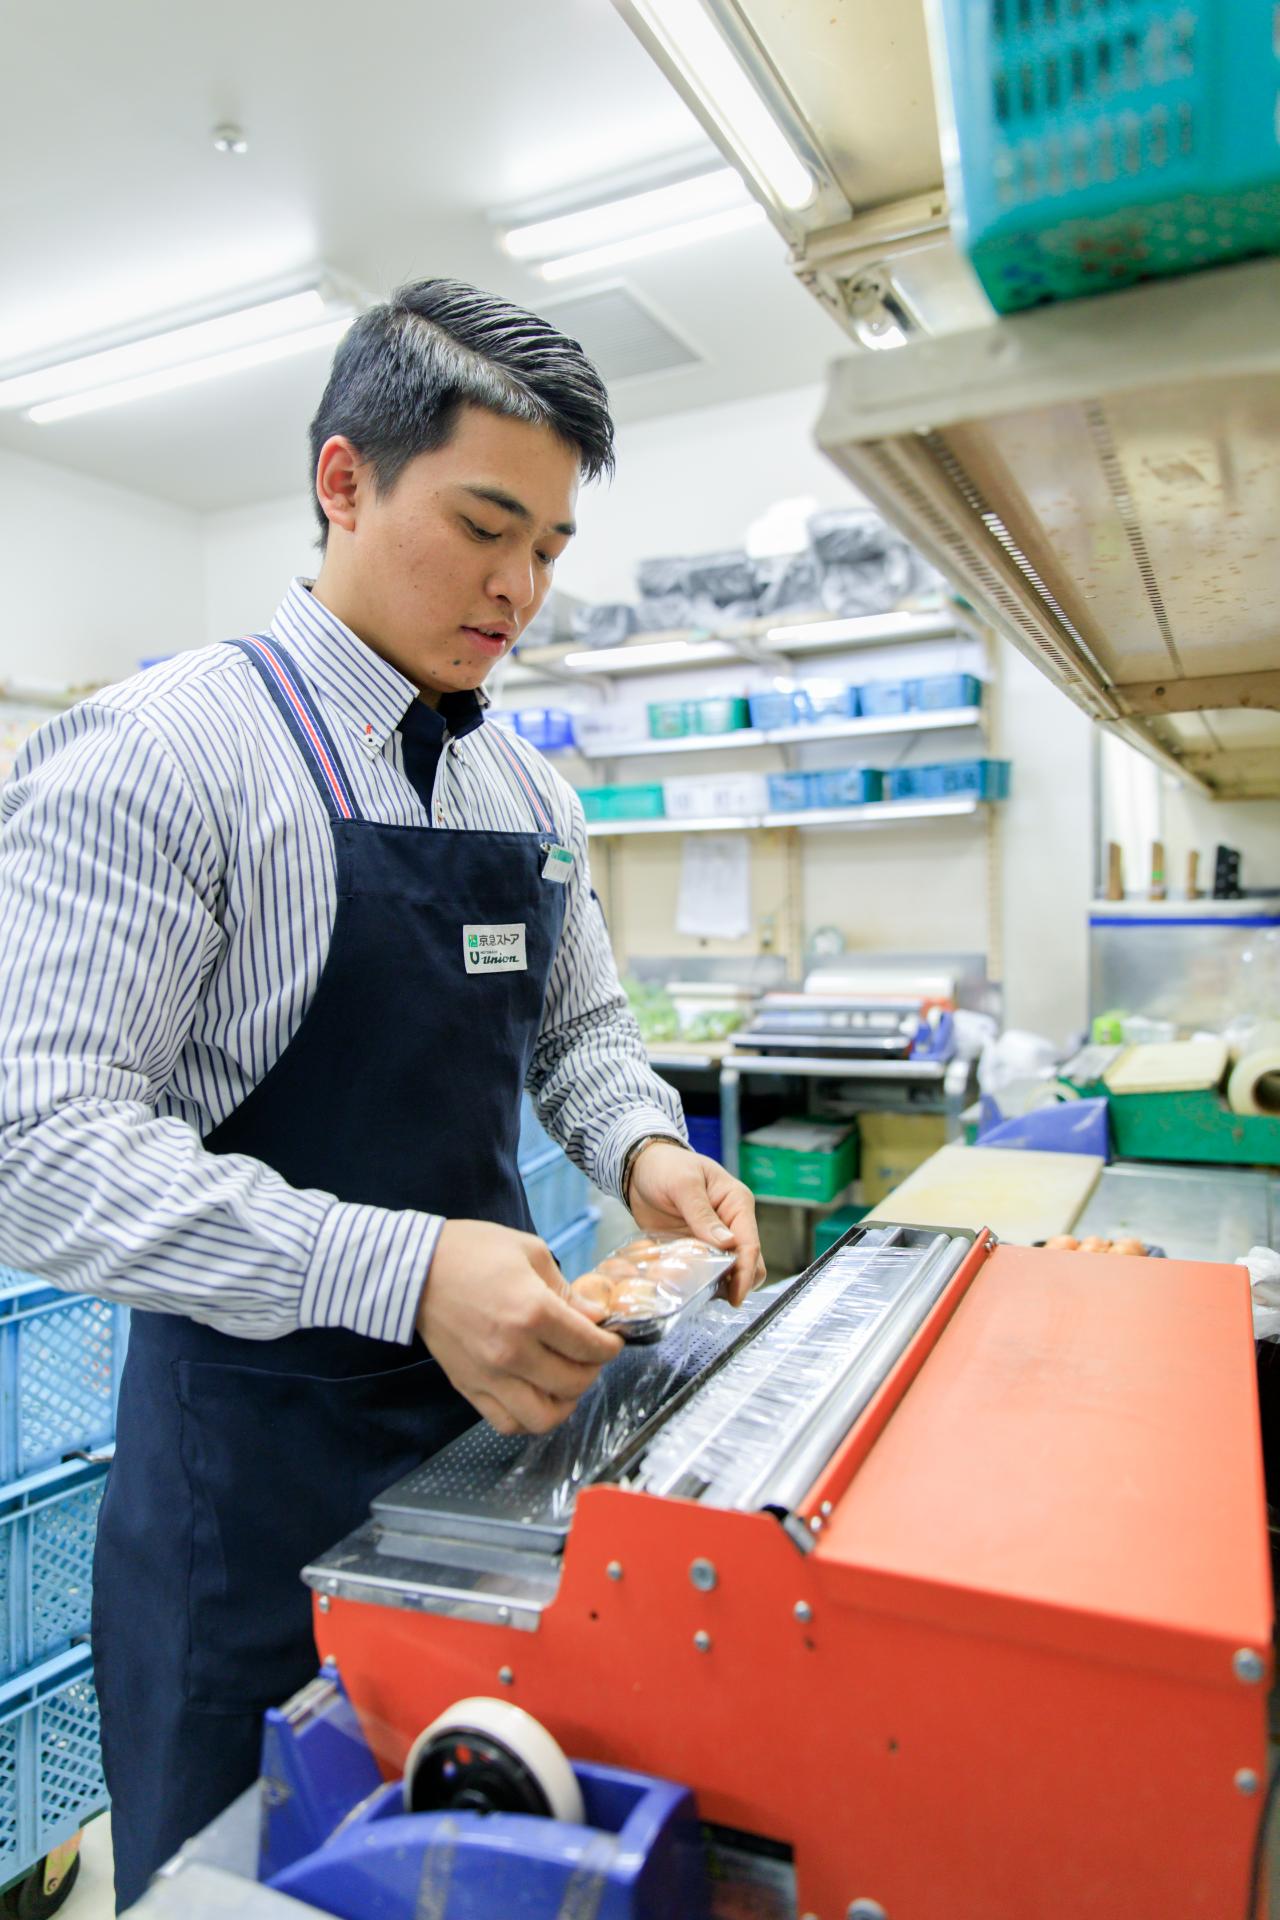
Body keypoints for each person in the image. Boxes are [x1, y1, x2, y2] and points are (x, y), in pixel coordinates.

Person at [0, 278, 763, 1910]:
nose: (518, 588)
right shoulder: (163, 755)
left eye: (551, 549)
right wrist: (406, 1269)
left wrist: (644, 1150)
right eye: (487, 525)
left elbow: (580, 1033)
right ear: (343, 480)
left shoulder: (521, 781)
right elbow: (37, 1148)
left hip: (493, 1456)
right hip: (246, 1508)